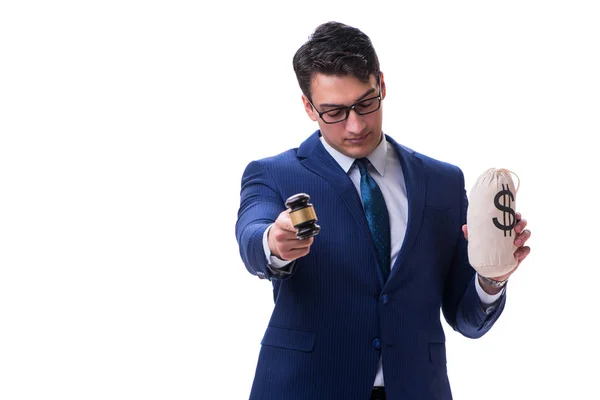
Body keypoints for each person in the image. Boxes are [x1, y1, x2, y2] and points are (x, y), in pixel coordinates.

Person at [235, 21, 531, 400]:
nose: (356, 125)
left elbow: (467, 320)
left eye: (365, 103)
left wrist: (493, 279)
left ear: (382, 85)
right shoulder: (274, 173)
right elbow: (252, 233)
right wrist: (272, 244)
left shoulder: (442, 181)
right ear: (309, 108)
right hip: (305, 387)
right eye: (335, 112)